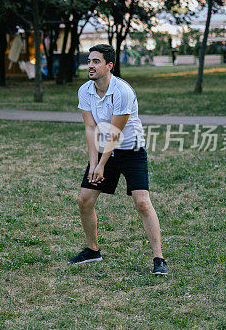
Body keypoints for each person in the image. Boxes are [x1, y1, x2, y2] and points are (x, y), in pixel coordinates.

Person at [71, 44, 167, 276]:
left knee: (142, 202)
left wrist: (102, 165)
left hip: (131, 150)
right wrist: (94, 164)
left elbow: (115, 133)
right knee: (84, 200)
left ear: (109, 66)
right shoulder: (85, 90)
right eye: (89, 61)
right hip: (105, 150)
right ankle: (93, 251)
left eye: (96, 61)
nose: (90, 65)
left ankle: (159, 259)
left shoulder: (122, 91)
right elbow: (90, 128)